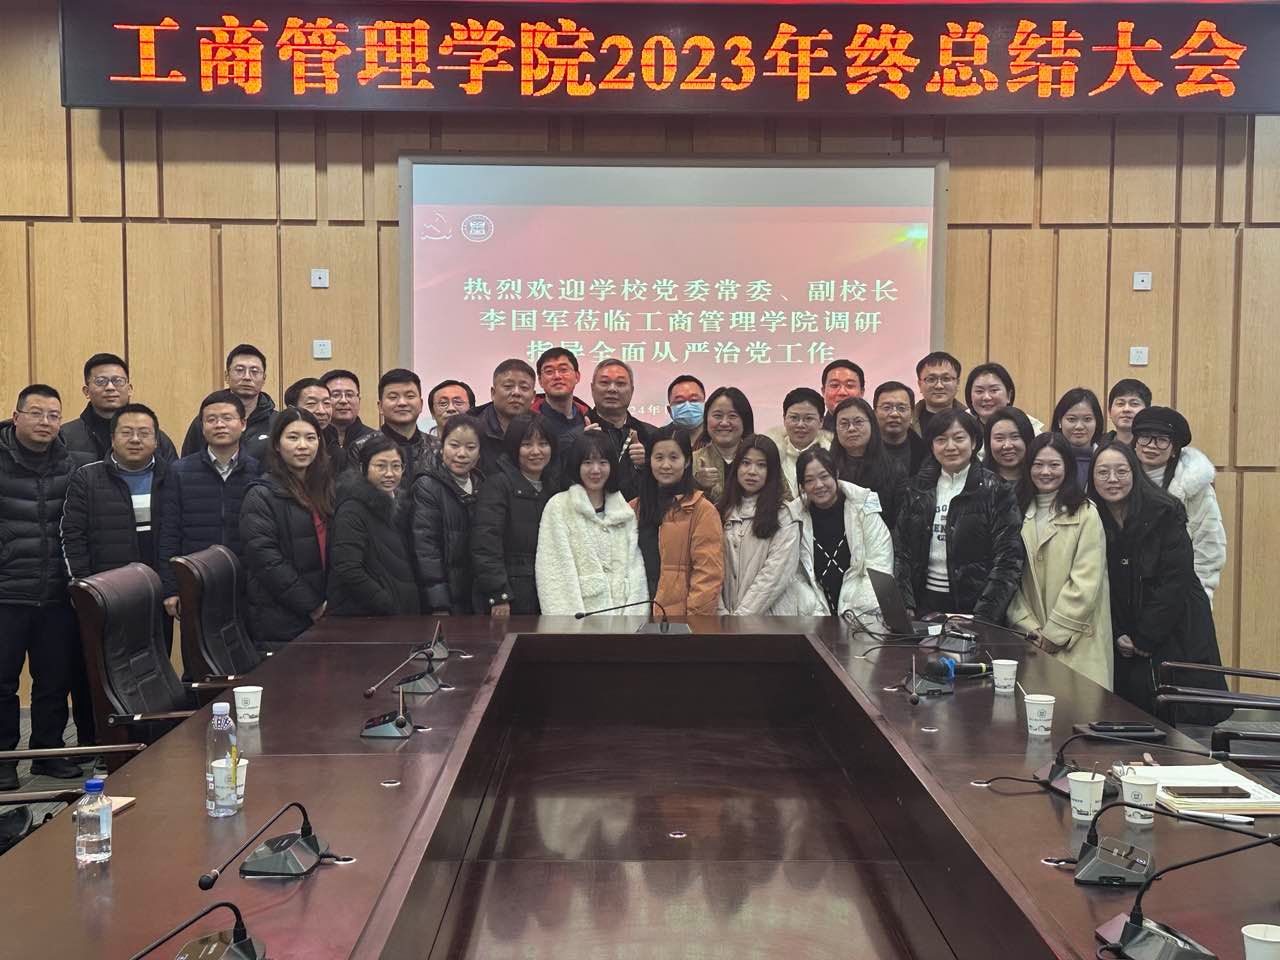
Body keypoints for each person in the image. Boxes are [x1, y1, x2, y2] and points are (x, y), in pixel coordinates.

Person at [1090, 441, 1228, 719]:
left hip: (1175, 627)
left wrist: (1144, 637)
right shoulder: (1092, 516)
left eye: (1121, 471)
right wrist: (1118, 633)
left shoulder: (1164, 511)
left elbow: (1175, 581)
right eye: (1103, 472)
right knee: (1130, 717)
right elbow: (1100, 584)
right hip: (1124, 635)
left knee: (1179, 717)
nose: (1112, 479)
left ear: (1135, 472)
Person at [0, 386, 94, 788]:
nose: (45, 422)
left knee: (54, 679)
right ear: (16, 416)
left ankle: (48, 752)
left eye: (53, 415)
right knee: (2, 681)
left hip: (57, 591)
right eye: (36, 413)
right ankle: (4, 759)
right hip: (6, 591)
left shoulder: (72, 465)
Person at [61, 403, 173, 649]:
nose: (135, 439)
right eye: (126, 432)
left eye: (144, 433)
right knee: (107, 664)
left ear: (156, 441)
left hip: (158, 593)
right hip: (106, 594)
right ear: (112, 439)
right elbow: (72, 536)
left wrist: (171, 587)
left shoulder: (172, 477)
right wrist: (84, 588)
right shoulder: (87, 478)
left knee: (158, 660)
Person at [1005, 434, 1113, 690]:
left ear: (1068, 467)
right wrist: (1027, 625)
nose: (1045, 472)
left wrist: (1055, 633)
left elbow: (1086, 580)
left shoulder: (1085, 512)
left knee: (1079, 708)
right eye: (1038, 464)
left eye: (1054, 465)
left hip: (1077, 639)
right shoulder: (1014, 509)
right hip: (1030, 638)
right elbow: (1006, 577)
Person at [895, 410, 1024, 620]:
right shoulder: (917, 488)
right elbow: (902, 550)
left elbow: (1009, 559)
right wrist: (905, 602)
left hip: (974, 608)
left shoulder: (996, 489)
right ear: (931, 446)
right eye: (941, 440)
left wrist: (984, 616)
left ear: (973, 442)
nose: (950, 446)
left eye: (958, 438)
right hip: (923, 604)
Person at [157, 390, 260, 621]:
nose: (219, 425)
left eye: (227, 418)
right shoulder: (180, 471)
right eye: (211, 419)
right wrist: (171, 588)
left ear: (243, 424)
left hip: (247, 584)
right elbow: (169, 532)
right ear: (202, 427)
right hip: (195, 580)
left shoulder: (258, 470)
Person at [239, 409, 332, 650]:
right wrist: (312, 606)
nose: (302, 446)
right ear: (277, 445)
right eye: (293, 437)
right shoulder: (261, 494)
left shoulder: (324, 489)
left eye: (310, 438)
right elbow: (267, 561)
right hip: (281, 620)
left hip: (325, 612)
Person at [535, 431, 647, 616]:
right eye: (587, 462)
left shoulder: (624, 512)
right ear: (576, 465)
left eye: (603, 462)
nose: (595, 470)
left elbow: (637, 573)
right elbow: (554, 573)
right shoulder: (559, 507)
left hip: (623, 623)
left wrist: (635, 621)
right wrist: (568, 627)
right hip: (580, 622)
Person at [1131, 406, 1227, 603]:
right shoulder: (1120, 480)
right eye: (1145, 437)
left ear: (1174, 449)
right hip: (1128, 591)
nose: (1151, 445)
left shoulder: (1194, 487)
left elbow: (1209, 544)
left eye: (1161, 440)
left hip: (1178, 593)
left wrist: (1198, 596)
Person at [632, 425, 724, 618]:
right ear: (649, 461)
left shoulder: (702, 511)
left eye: (674, 458)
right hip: (635, 616)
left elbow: (708, 576)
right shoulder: (634, 508)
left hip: (678, 621)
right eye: (659, 457)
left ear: (687, 461)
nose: (666, 465)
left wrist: (694, 623)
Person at [473, 415, 560, 616]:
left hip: (549, 593)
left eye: (543, 444)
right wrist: (499, 593)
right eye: (527, 444)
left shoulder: (555, 487)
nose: (536, 451)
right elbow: (485, 545)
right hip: (510, 596)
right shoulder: (497, 485)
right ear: (514, 447)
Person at [792, 447, 893, 619]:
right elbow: (795, 576)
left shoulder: (863, 506)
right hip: (814, 616)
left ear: (836, 474)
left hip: (862, 616)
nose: (819, 485)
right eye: (809, 480)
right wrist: (815, 613)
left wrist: (854, 615)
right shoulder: (793, 518)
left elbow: (879, 565)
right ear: (802, 486)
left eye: (824, 476)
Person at [326, 436, 419, 617]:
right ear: (363, 468)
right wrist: (386, 602)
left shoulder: (402, 506)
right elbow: (347, 568)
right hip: (365, 616)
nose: (389, 474)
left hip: (400, 613)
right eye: (381, 466)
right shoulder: (352, 510)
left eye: (396, 466)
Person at [409, 415, 484, 615]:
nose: (462, 454)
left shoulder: (482, 485)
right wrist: (439, 604)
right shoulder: (427, 485)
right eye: (454, 445)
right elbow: (426, 551)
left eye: (470, 447)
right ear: (442, 447)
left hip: (475, 596)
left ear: (479, 453)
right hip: (445, 600)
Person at [718, 435, 801, 615]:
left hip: (769, 620)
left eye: (761, 465)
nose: (752, 471)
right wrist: (721, 614)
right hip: (723, 621)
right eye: (746, 463)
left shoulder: (784, 515)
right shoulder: (720, 511)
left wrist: (740, 618)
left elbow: (774, 575)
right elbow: (710, 568)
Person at [61, 353, 177, 462]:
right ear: (86, 391)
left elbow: (172, 474)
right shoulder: (64, 437)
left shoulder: (155, 437)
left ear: (129, 389)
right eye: (101, 381)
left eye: (117, 381)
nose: (110, 387)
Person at [181, 344, 276, 461]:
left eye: (254, 371)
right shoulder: (208, 421)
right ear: (227, 376)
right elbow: (187, 465)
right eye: (240, 370)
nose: (247, 377)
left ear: (264, 379)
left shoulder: (277, 423)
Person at [828, 396, 908, 531]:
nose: (851, 429)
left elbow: (900, 521)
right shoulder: (827, 468)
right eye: (844, 423)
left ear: (872, 424)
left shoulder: (894, 468)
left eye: (858, 422)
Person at [346, 369, 440, 483]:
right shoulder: (361, 447)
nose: (402, 403)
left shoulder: (438, 447)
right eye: (393, 397)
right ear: (380, 406)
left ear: (421, 404)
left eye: (410, 396)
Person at [584, 359, 652, 502]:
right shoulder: (577, 433)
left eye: (620, 383)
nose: (612, 389)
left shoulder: (651, 435)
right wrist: (582, 449)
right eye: (604, 382)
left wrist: (644, 465)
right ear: (592, 388)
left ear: (632, 390)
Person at [766, 387, 831, 500]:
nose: (800, 425)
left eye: (808, 418)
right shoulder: (769, 454)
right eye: (794, 418)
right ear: (784, 419)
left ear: (821, 421)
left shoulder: (833, 454)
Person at [692, 386, 752, 504]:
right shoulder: (691, 461)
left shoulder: (761, 458)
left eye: (732, 416)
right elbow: (676, 506)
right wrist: (697, 485)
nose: (724, 423)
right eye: (717, 416)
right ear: (706, 419)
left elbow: (782, 498)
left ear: (745, 420)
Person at [475, 359, 536, 474]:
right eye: (508, 386)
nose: (516, 393)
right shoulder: (474, 429)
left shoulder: (544, 428)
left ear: (533, 397)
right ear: (493, 393)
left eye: (524, 388)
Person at [964, 362, 1046, 433]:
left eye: (994, 390)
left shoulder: (1027, 426)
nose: (986, 397)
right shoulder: (961, 424)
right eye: (979, 391)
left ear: (1009, 395)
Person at [982, 406, 1035, 512]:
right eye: (999, 438)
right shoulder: (976, 483)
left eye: (1015, 437)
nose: (1007, 445)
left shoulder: (1039, 482)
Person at [532, 347, 589, 445]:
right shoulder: (528, 420)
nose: (557, 376)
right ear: (540, 380)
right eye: (549, 371)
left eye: (563, 370)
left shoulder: (588, 417)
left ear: (577, 376)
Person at [1052, 387, 1105, 488]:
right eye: (1072, 419)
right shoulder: (1046, 457)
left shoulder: (1106, 458)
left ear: (1097, 422)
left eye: (1087, 419)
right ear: (1059, 421)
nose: (1079, 426)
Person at [874, 381, 928, 477]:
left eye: (901, 408)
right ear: (875, 412)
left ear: (912, 413)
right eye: (887, 407)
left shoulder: (925, 453)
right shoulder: (861, 449)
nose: (894, 414)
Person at [320, 369, 375, 452]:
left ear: (359, 400)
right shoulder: (314, 438)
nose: (343, 401)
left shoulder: (375, 440)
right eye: (336, 395)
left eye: (349, 395)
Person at [913, 351, 965, 436]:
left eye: (946, 379)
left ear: (957, 383)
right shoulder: (906, 422)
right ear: (920, 384)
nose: (939, 386)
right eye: (931, 379)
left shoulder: (972, 419)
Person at [1104, 378, 1151, 446]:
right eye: (1120, 404)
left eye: (1134, 404)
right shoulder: (1097, 446)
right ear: (1109, 411)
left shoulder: (1154, 447)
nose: (1126, 409)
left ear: (1147, 411)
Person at [820, 359, 865, 431]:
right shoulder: (813, 432)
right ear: (823, 391)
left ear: (862, 392)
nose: (842, 392)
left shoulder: (876, 428)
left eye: (849, 385)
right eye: (835, 385)